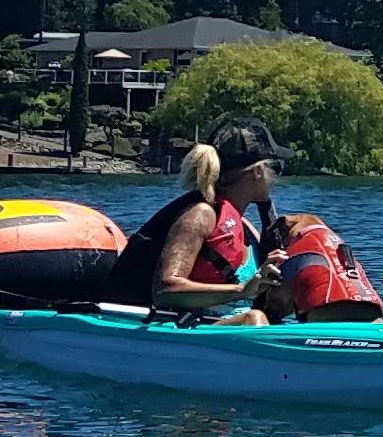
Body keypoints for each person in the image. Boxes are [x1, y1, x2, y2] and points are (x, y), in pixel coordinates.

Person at [112, 127, 272, 320]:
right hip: (192, 332)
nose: (274, 178)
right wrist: (240, 291)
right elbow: (164, 291)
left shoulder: (246, 229)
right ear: (257, 171)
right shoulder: (200, 216)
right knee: (253, 319)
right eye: (274, 168)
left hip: (235, 331)